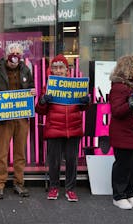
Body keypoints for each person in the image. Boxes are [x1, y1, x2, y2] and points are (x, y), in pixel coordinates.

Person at [35, 54, 89, 201]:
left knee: (72, 161)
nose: (58, 71)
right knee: (54, 162)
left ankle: (70, 189)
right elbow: (40, 111)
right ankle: (53, 188)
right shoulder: (48, 87)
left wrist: (86, 101)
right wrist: (42, 101)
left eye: (61, 68)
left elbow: (83, 108)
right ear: (51, 70)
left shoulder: (75, 85)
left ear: (67, 70)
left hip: (73, 128)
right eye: (55, 68)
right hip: (54, 128)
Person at [0, 42, 35, 199]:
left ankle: (19, 183)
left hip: (21, 117)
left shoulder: (26, 69)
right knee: (2, 153)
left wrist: (33, 92)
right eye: (13, 52)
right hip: (4, 119)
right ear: (6, 55)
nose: (15, 55)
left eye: (18, 53)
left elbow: (31, 88)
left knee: (20, 153)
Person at [108, 55, 133, 209]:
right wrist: (129, 104)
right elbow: (116, 111)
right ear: (128, 68)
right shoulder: (119, 87)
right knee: (123, 166)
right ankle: (118, 196)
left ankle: (129, 193)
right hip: (124, 133)